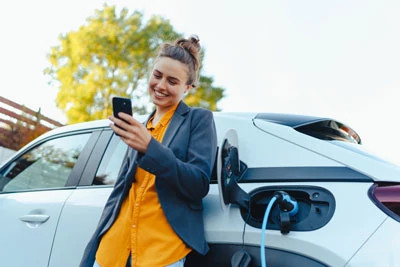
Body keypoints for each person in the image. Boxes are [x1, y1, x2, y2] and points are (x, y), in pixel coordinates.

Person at [80, 35, 218, 267]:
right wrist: (93, 247)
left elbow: (198, 183)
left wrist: (150, 148)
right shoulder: (141, 127)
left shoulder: (198, 119)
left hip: (161, 253)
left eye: (172, 81)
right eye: (157, 76)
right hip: (113, 250)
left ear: (187, 88)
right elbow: (119, 191)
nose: (161, 85)